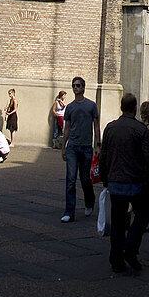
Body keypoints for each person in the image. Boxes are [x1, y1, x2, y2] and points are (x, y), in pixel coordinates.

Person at [99, 92, 149, 273]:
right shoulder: (140, 130)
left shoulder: (110, 128)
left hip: (115, 181)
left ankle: (116, 259)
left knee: (117, 221)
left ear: (121, 107)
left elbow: (103, 155)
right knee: (143, 214)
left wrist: (104, 177)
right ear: (134, 108)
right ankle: (130, 247)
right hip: (135, 182)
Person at [61, 75, 101, 222]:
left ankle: (89, 201)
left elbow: (96, 126)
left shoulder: (91, 106)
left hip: (86, 147)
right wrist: (63, 147)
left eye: (78, 85)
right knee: (70, 179)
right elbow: (67, 128)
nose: (76, 88)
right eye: (74, 86)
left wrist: (97, 145)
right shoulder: (70, 107)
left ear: (83, 88)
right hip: (72, 147)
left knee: (85, 179)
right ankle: (69, 212)